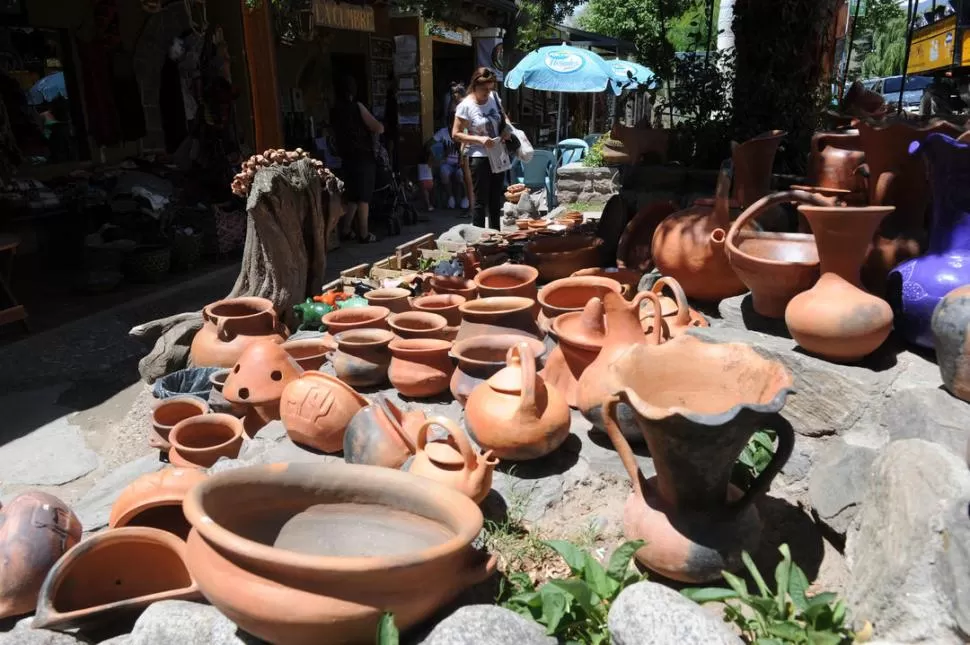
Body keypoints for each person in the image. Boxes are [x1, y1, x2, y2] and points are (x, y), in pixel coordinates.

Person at [452, 67, 510, 228]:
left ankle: (496, 237)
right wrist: (479, 139)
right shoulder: (466, 106)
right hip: (479, 157)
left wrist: (507, 130)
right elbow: (456, 134)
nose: (487, 93)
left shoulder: (494, 97)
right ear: (474, 86)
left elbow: (504, 118)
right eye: (484, 89)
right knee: (480, 201)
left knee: (495, 200)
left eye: (490, 89)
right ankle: (478, 241)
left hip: (498, 154)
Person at [331, 74, 383, 243]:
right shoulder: (357, 107)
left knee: (352, 195)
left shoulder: (335, 109)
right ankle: (364, 233)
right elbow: (377, 127)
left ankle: (346, 230)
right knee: (364, 197)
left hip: (346, 157)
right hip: (363, 156)